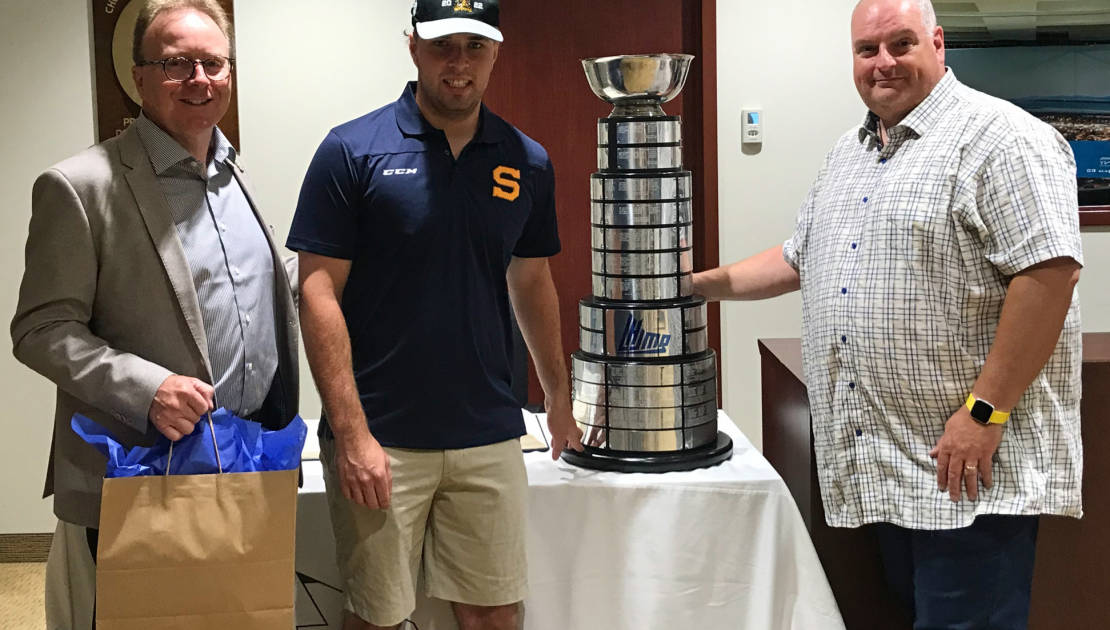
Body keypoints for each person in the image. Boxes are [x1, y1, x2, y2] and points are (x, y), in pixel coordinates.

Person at [694, 0, 1082, 627]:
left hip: (968, 471)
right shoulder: (850, 154)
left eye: (900, 44)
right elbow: (799, 258)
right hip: (886, 466)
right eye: (866, 50)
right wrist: (693, 287)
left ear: (937, 42)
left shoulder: (1002, 138)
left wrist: (985, 411)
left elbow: (1048, 275)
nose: (883, 63)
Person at [287, 1, 583, 629]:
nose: (459, 63)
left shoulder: (525, 159)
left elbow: (532, 280)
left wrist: (558, 394)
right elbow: (316, 292)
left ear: (496, 53)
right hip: (383, 436)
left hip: (490, 430)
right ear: (413, 46)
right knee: (379, 615)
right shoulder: (351, 151)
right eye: (443, 45)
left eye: (475, 47)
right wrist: (350, 431)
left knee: (494, 613)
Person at [10, 1, 299, 627]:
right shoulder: (79, 186)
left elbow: (254, 291)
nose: (199, 79)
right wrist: (149, 388)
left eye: (212, 63)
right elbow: (40, 330)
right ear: (139, 76)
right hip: (140, 475)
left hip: (243, 463)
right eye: (175, 64)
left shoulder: (232, 174)